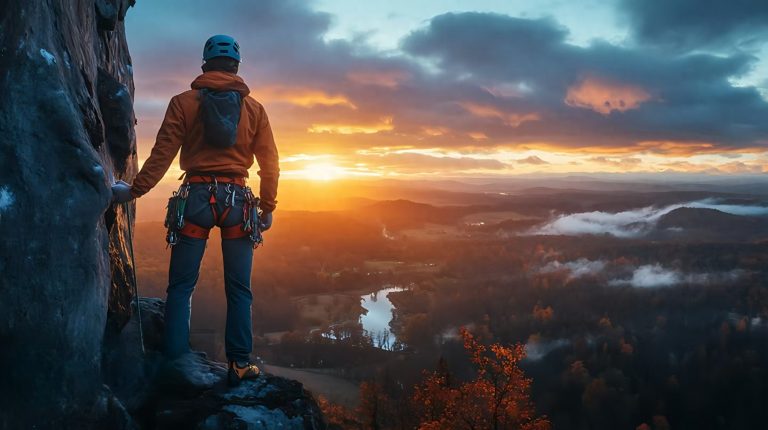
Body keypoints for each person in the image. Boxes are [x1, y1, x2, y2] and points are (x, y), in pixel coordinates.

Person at [112, 34, 279, 386]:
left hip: (196, 200)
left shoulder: (183, 102)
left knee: (182, 285)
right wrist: (267, 207)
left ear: (205, 64)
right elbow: (270, 164)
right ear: (236, 66)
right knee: (239, 288)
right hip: (238, 203)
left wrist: (134, 190)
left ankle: (176, 358)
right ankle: (239, 364)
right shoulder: (255, 110)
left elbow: (163, 153)